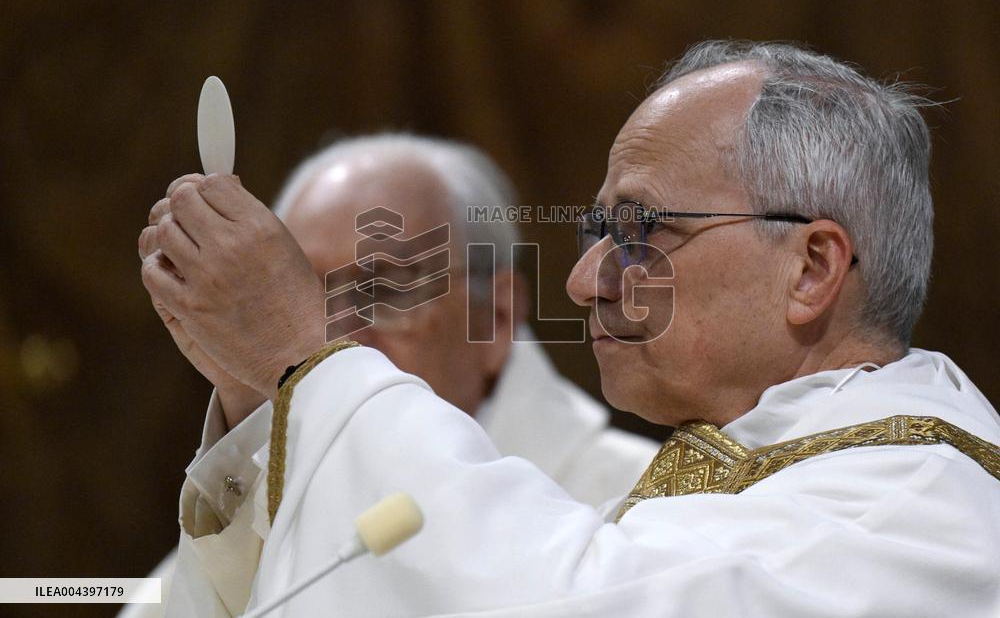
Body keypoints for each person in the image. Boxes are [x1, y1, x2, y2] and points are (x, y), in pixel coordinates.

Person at [140, 40, 1000, 617]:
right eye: (596, 235)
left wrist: (307, 358)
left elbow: (565, 602)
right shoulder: (783, 470)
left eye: (638, 232)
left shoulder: (915, 503)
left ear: (811, 268)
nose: (587, 281)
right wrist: (273, 400)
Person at [127, 134, 657, 618]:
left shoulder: (644, 510)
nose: (332, 337)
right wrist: (245, 401)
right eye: (299, 299)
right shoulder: (234, 530)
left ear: (495, 316)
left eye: (382, 289)